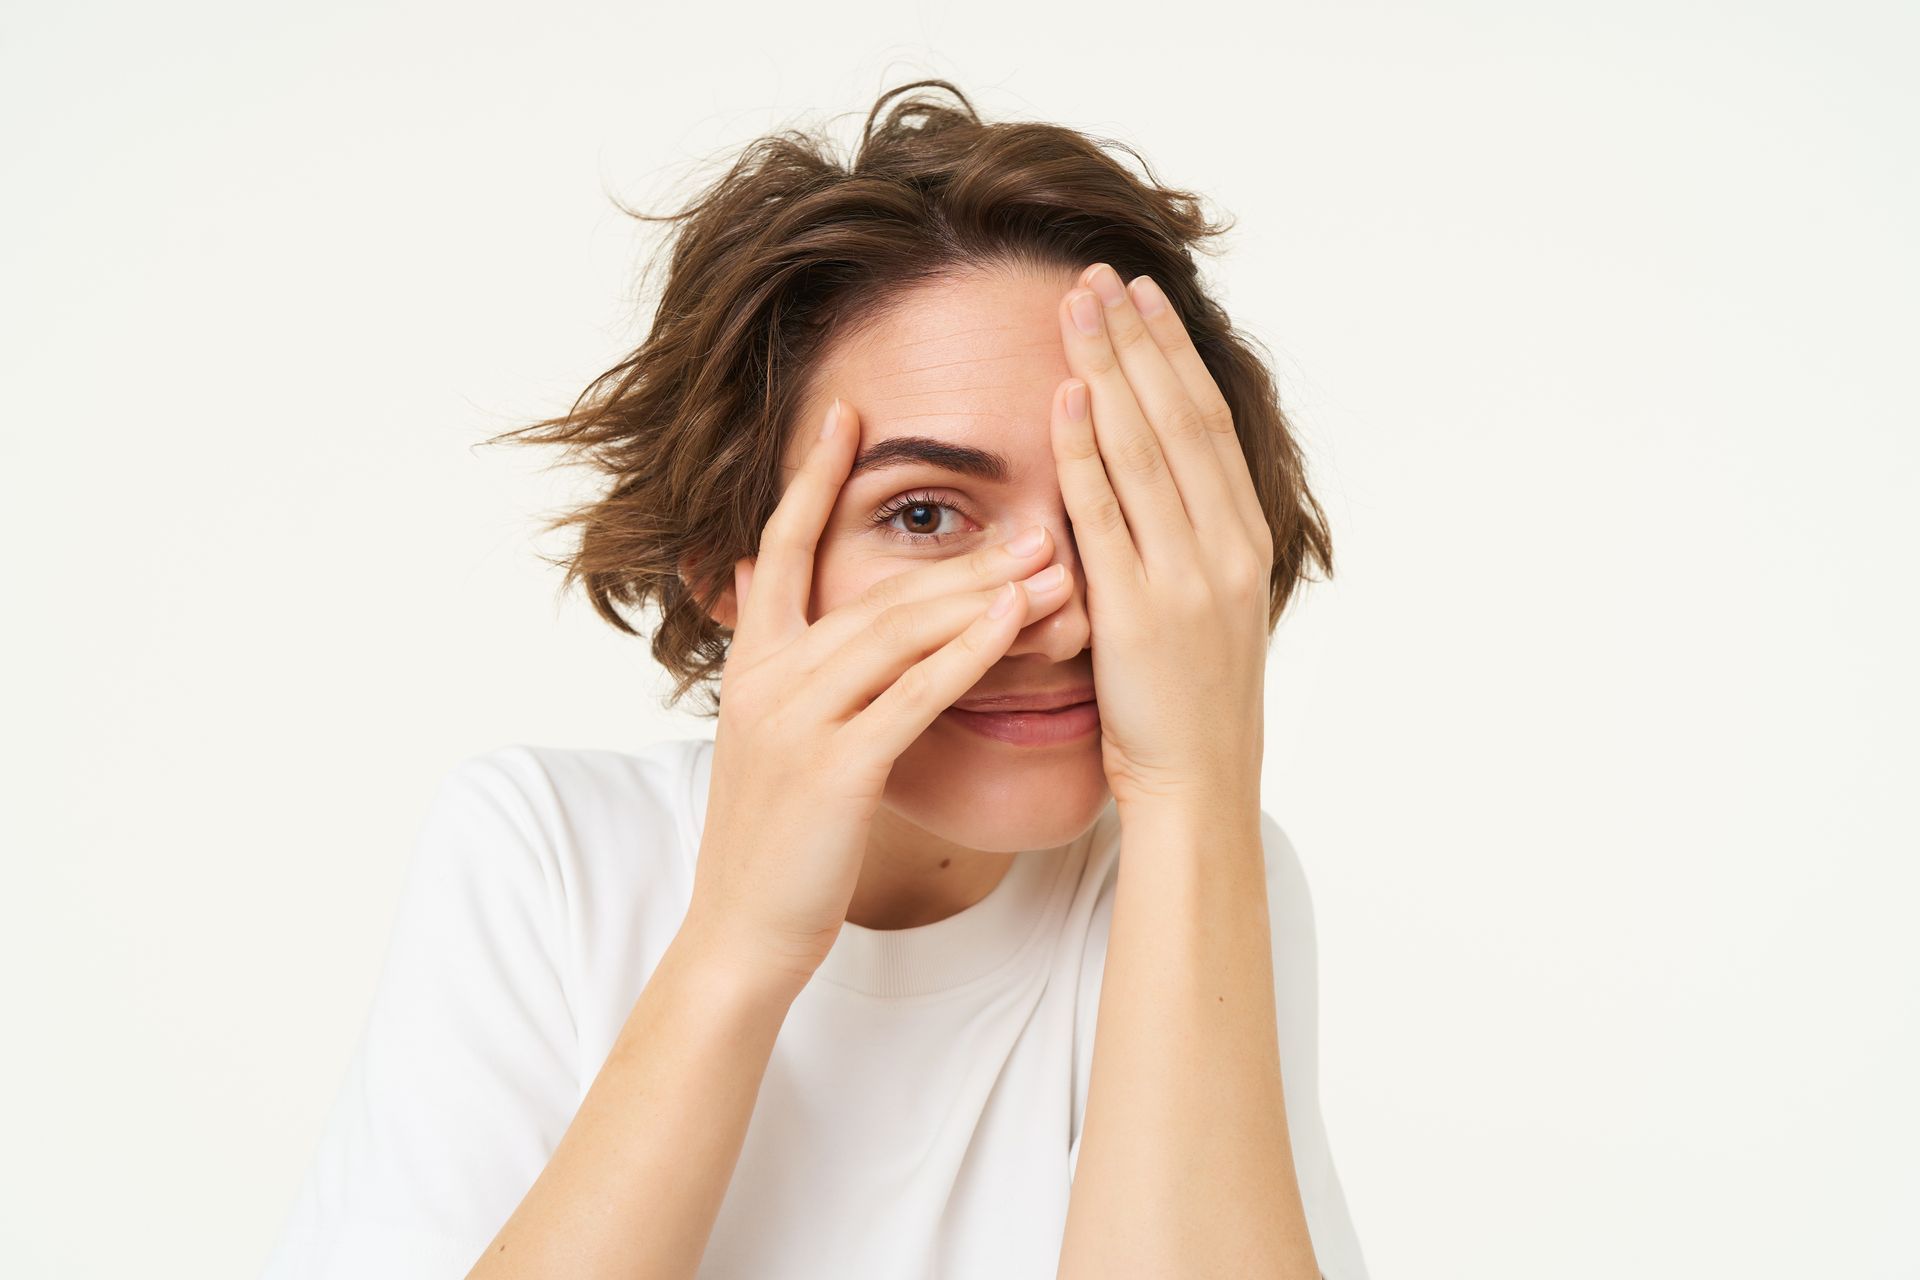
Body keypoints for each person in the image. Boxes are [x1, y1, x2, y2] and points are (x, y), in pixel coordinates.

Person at [260, 79, 1369, 1279]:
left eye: (1120, 498)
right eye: (929, 511)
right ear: (725, 571)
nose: (1058, 612)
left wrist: (1197, 788)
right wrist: (740, 942)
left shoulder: (1189, 868)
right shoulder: (546, 856)